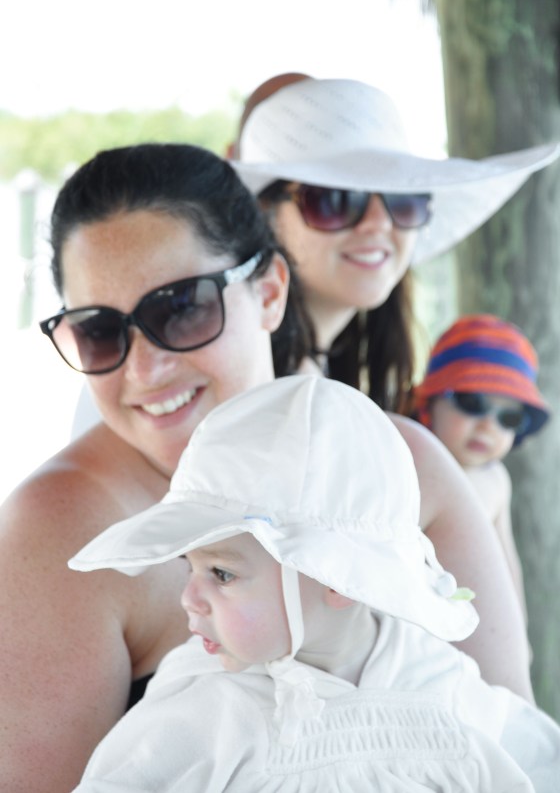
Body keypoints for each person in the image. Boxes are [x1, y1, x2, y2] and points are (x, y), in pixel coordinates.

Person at [230, 73, 560, 696]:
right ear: (263, 215)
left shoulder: (323, 376)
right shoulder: (252, 382)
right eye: (336, 200)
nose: (379, 223)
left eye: (403, 201)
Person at [70, 376, 560, 792]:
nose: (189, 598)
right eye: (190, 567)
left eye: (221, 573)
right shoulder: (202, 708)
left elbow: (539, 761)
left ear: (337, 577)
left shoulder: (439, 683)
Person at [0, 142, 312, 792]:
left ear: (271, 291)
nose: (144, 369)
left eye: (182, 306)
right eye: (100, 330)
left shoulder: (408, 469)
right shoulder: (61, 533)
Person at [412, 314, 551, 621]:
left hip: (471, 623)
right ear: (429, 402)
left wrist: (518, 632)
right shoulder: (410, 460)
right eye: (473, 403)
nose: (488, 424)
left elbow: (507, 566)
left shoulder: (496, 479)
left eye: (509, 418)